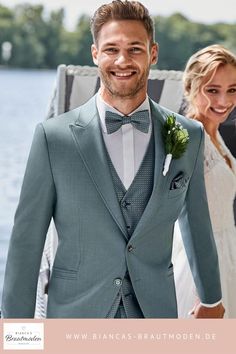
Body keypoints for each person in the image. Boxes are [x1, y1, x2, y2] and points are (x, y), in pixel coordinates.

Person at [1, 1, 224, 318]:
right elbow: (26, 243)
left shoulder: (189, 135)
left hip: (155, 317)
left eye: (135, 49)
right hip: (76, 318)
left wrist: (212, 300)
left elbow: (197, 225)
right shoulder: (54, 138)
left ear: (153, 53)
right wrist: (17, 333)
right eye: (111, 49)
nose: (123, 60)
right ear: (95, 54)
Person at [173, 44, 236, 318]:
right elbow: (184, 213)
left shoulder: (215, 134)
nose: (224, 101)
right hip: (199, 264)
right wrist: (205, 295)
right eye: (212, 90)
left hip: (228, 253)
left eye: (232, 90)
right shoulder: (185, 138)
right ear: (190, 87)